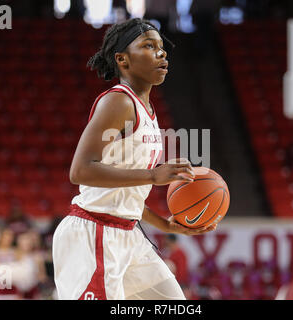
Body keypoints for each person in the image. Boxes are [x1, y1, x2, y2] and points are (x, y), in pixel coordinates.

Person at [52, 18, 216, 300]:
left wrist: (166, 224)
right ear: (122, 60)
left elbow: (124, 194)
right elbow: (80, 170)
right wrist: (153, 176)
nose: (161, 53)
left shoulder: (148, 111)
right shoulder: (118, 102)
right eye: (149, 46)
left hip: (128, 234)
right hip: (94, 234)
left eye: (162, 47)